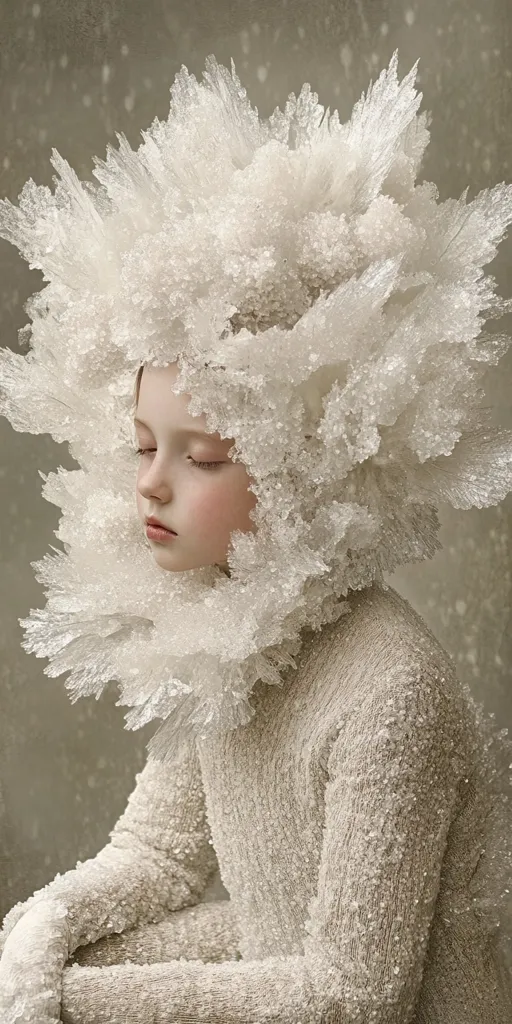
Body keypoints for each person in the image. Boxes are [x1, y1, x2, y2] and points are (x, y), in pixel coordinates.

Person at [1, 49, 512, 1024]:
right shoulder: (219, 635)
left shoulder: (387, 688)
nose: (149, 479)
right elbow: (156, 859)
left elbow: (352, 995)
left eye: (198, 455)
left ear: (295, 473)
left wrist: (77, 1006)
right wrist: (42, 937)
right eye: (145, 443)